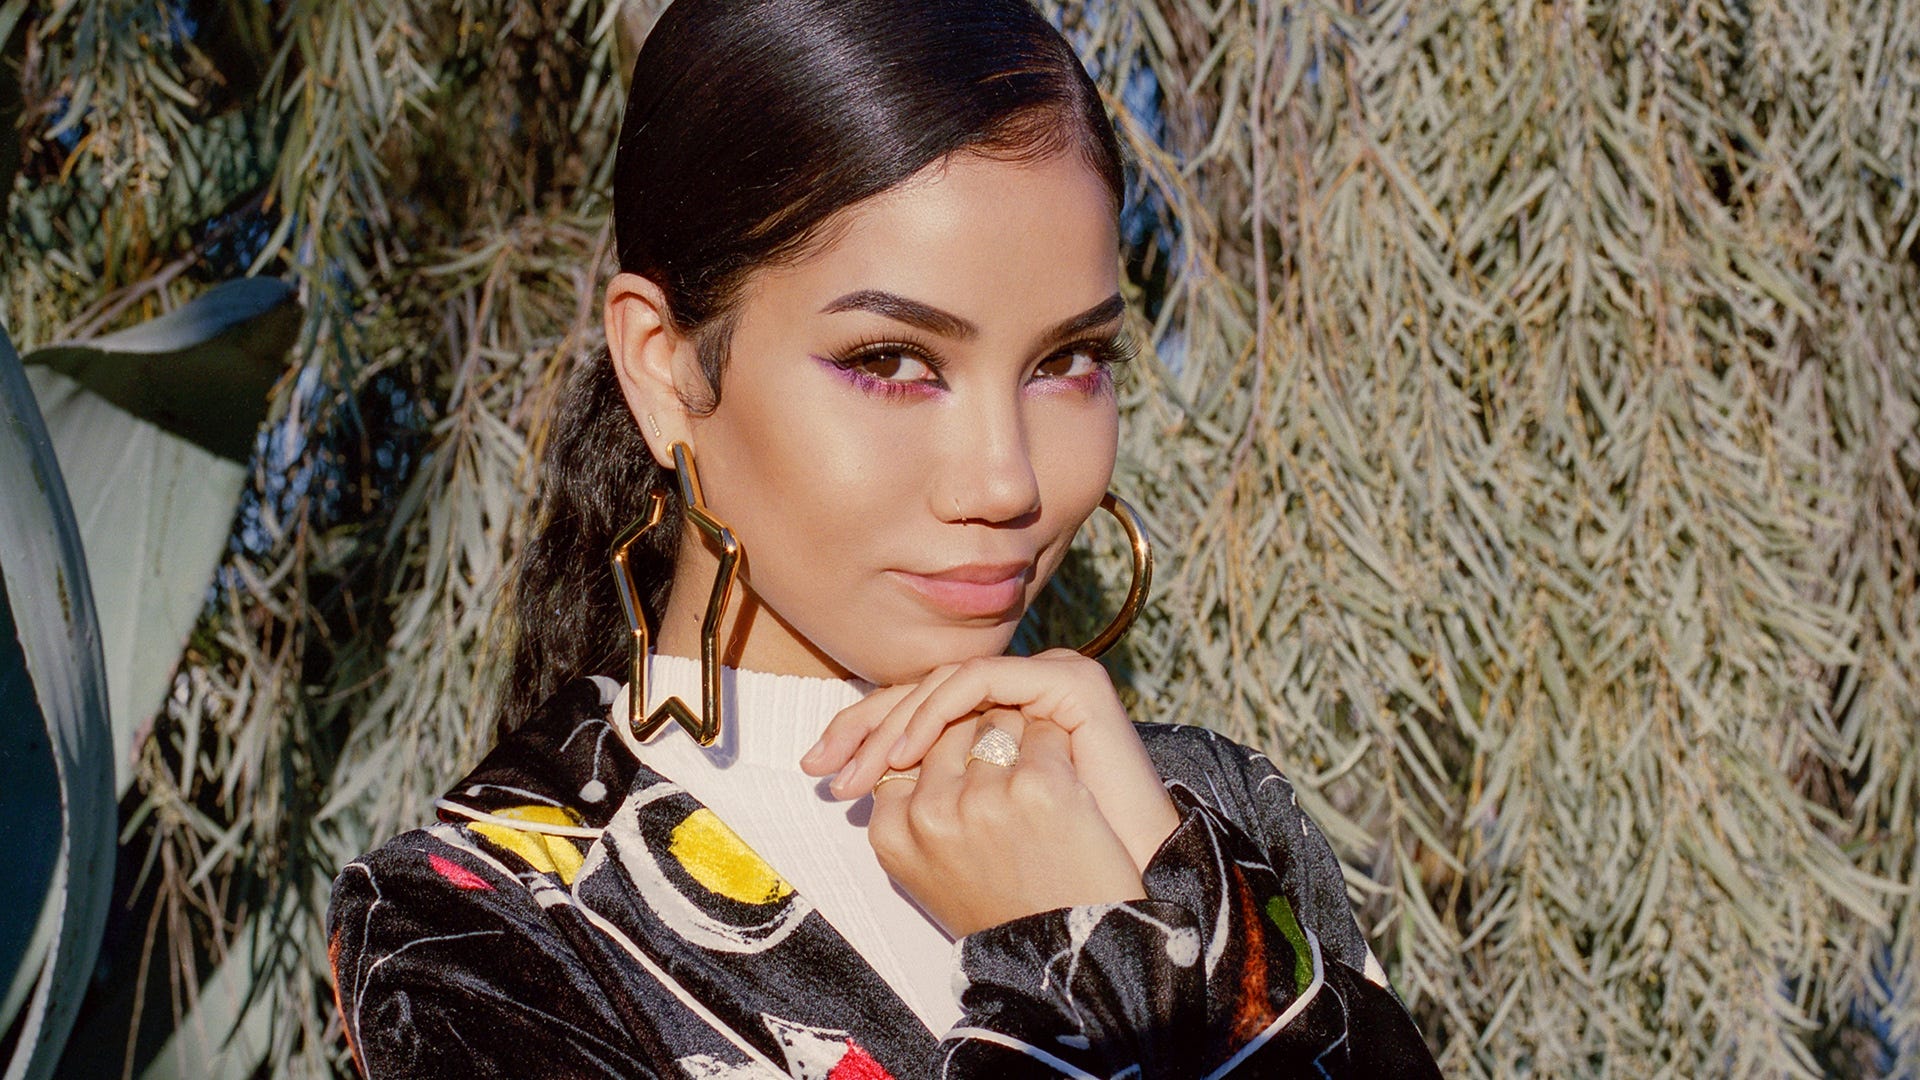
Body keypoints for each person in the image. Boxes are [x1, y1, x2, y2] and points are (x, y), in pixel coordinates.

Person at [327, 0, 1444, 1075]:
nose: (1006, 482)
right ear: (664, 367)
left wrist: (1154, 895)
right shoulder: (487, 935)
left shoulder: (1210, 813)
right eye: (892, 362)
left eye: (1068, 362)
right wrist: (1075, 950)